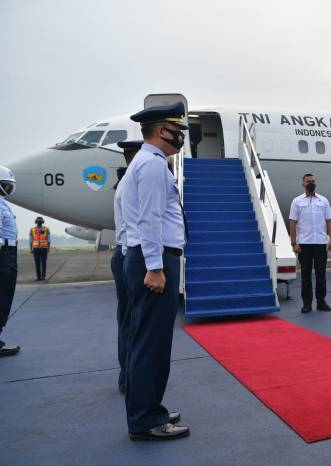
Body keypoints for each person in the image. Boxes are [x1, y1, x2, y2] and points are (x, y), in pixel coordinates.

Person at [120, 102, 189, 441]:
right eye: (178, 130)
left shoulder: (146, 163)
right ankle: (147, 418)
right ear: (163, 130)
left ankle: (144, 408)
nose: (181, 136)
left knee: (143, 340)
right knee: (153, 344)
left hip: (149, 257)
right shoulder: (152, 165)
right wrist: (156, 267)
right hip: (156, 258)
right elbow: (150, 220)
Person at [111, 140, 141, 395]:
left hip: (123, 254)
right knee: (134, 322)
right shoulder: (132, 183)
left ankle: (128, 377)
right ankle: (130, 379)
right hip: (129, 254)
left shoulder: (124, 181)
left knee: (128, 320)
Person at [289, 173, 331, 313]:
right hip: (304, 244)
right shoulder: (296, 201)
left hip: (320, 243)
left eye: (313, 181)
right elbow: (292, 222)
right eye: (308, 181)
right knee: (306, 275)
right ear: (303, 184)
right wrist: (294, 242)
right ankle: (307, 304)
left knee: (321, 274)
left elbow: (330, 220)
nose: (311, 183)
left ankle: (321, 302)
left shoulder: (323, 201)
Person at [0, 166, 20, 357]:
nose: (8, 187)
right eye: (5, 184)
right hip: (3, 254)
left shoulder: (3, 203)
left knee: (6, 294)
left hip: (9, 252)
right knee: (1, 295)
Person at [29, 216, 50, 281]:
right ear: (36, 222)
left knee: (43, 263)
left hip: (44, 248)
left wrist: (48, 249)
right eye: (38, 220)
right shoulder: (32, 229)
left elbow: (49, 240)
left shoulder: (46, 229)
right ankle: (38, 277)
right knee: (37, 263)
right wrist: (31, 249)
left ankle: (43, 276)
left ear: (42, 222)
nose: (39, 221)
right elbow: (31, 240)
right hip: (36, 248)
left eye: (40, 220)